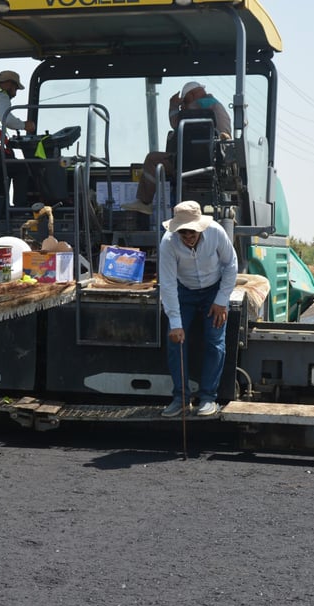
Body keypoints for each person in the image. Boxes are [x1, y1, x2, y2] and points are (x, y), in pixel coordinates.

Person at [158, 200, 239, 418]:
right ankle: (181, 398)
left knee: (215, 340)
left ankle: (208, 398)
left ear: (200, 226)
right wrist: (175, 323)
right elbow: (166, 283)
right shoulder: (167, 243)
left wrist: (222, 300)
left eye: (192, 232)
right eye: (183, 233)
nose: (188, 237)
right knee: (175, 340)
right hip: (183, 291)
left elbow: (231, 264)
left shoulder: (216, 233)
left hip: (214, 290)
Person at [122, 81, 233, 216]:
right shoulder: (216, 104)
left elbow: (176, 122)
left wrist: (174, 105)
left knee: (152, 159)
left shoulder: (201, 104)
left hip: (196, 161)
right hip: (215, 159)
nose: (184, 106)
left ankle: (145, 203)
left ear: (191, 96)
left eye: (185, 101)